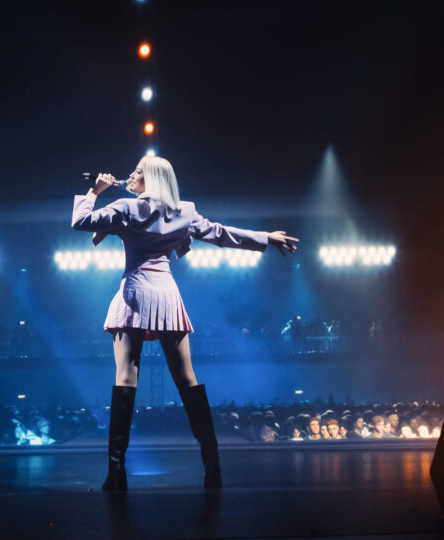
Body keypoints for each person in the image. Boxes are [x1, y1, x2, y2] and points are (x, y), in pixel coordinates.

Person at [72, 156, 298, 490]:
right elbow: (221, 234)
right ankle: (213, 467)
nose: (130, 176)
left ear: (151, 180)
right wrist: (265, 237)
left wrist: (94, 190)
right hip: (166, 295)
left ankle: (116, 473)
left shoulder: (125, 207)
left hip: (134, 293)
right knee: (187, 379)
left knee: (124, 378)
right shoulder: (183, 211)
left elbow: (80, 221)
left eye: (136, 172)